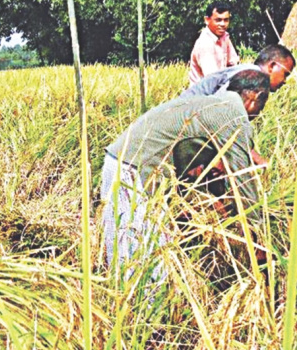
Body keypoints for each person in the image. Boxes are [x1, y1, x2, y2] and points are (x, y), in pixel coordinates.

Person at [100, 70, 271, 282]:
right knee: (144, 267)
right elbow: (243, 184)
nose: (258, 114)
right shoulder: (233, 116)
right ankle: (139, 313)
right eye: (262, 107)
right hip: (131, 171)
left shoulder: (209, 104)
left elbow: (202, 173)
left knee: (137, 256)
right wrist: (259, 239)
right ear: (256, 97)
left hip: (124, 164)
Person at [181, 44, 296, 98]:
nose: (285, 81)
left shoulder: (247, 72)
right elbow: (218, 109)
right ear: (272, 66)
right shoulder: (253, 77)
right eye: (285, 74)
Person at [188, 1, 240, 86]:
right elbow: (213, 80)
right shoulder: (205, 43)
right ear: (207, 20)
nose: (222, 24)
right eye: (218, 20)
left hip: (218, 88)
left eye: (226, 20)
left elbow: (233, 64)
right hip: (203, 94)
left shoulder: (224, 37)